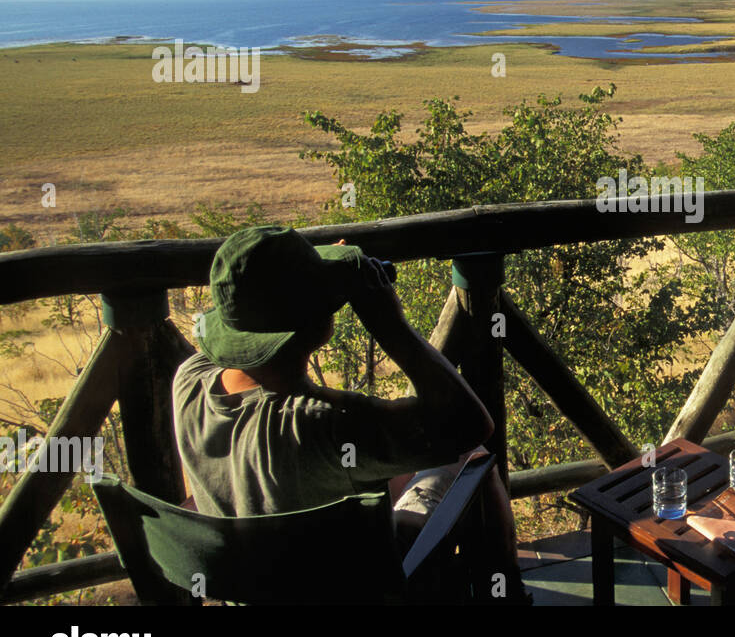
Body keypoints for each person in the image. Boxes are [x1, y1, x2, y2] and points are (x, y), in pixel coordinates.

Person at [172, 225, 526, 601]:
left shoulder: (190, 383)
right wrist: (390, 324)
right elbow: (471, 425)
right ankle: (509, 597)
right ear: (315, 320)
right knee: (474, 462)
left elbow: (243, 340)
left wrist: (318, 274)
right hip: (354, 582)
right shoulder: (319, 423)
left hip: (259, 581)